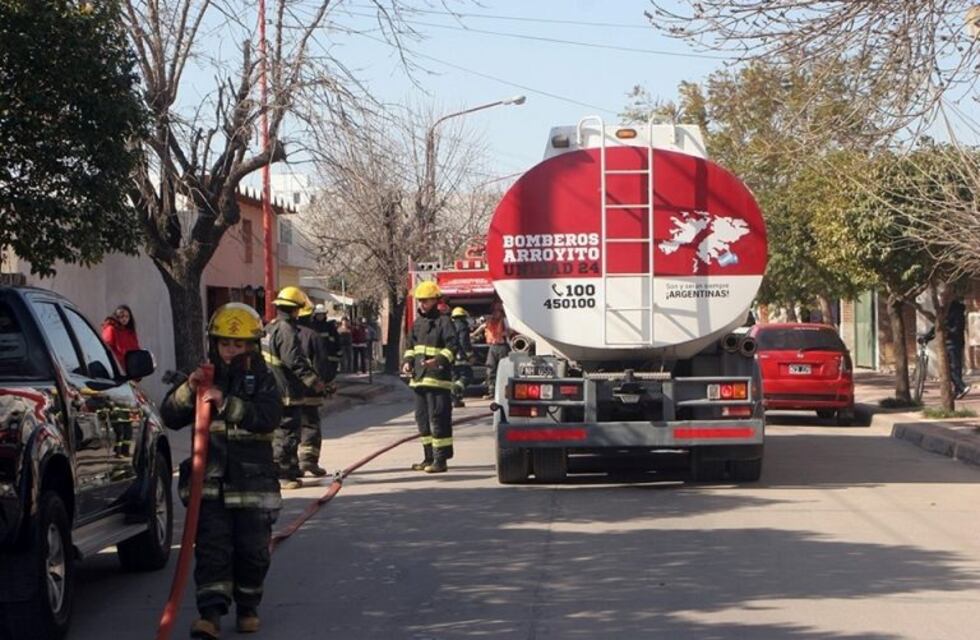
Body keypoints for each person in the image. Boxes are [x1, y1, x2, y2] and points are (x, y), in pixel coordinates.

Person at [160, 303, 282, 639]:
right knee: (212, 551)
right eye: (225, 342)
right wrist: (190, 389)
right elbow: (170, 415)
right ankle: (210, 616)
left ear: (252, 346)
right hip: (211, 486)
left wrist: (227, 404)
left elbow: (269, 417)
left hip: (253, 485)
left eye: (238, 344)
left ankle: (247, 607)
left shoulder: (264, 379)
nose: (231, 350)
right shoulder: (203, 374)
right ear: (214, 342)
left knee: (253, 553)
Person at [262, 286, 323, 490]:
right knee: (287, 433)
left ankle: (292, 468)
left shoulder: (270, 327)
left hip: (272, 388)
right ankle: (283, 475)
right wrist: (313, 381)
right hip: (286, 391)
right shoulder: (287, 330)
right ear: (296, 309)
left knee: (283, 432)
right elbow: (294, 360)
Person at [402, 281, 458, 473]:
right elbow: (410, 347)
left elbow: (453, 347)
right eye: (420, 301)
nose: (421, 304)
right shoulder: (418, 324)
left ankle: (440, 460)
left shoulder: (444, 322)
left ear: (435, 300)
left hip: (438, 379)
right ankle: (428, 458)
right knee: (422, 419)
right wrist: (407, 361)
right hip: (419, 379)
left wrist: (439, 360)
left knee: (438, 418)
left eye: (425, 300)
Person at [295, 302, 333, 478]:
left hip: (287, 390)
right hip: (310, 389)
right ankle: (308, 461)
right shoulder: (312, 335)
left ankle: (292, 462)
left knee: (291, 426)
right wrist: (324, 383)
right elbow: (321, 364)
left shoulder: (280, 332)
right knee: (310, 424)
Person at [924, 298, 972, 400]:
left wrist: (945, 332)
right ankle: (958, 390)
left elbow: (947, 328)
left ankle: (961, 386)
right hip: (953, 343)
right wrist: (927, 337)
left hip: (953, 343)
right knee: (955, 368)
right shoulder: (949, 311)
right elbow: (937, 326)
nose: (941, 299)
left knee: (949, 368)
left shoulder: (954, 312)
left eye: (943, 297)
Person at [471, 300, 512, 400]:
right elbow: (481, 327)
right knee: (490, 369)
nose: (495, 313)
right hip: (493, 347)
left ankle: (505, 392)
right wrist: (472, 334)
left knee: (504, 370)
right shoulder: (489, 321)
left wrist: (505, 333)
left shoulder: (505, 320)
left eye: (497, 310)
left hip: (503, 347)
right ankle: (492, 392)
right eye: (494, 310)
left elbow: (510, 330)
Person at [450, 307, 475, 408]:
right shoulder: (463, 326)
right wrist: (470, 355)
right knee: (467, 376)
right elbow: (464, 342)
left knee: (455, 377)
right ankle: (455, 389)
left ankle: (456, 400)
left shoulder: (451, 326)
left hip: (452, 356)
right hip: (461, 356)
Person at [101, 304, 140, 369]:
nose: (124, 319)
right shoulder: (111, 329)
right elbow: (107, 350)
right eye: (121, 316)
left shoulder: (130, 332)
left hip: (131, 367)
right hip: (117, 368)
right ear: (117, 317)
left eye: (127, 316)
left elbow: (136, 349)